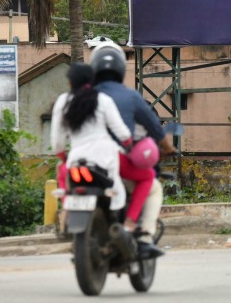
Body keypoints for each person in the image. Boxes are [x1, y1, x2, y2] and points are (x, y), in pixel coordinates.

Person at [91, 41, 176, 259]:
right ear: (121, 69)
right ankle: (144, 237)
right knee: (153, 186)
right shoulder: (130, 96)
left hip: (84, 162)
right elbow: (156, 130)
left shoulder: (82, 96)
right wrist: (168, 148)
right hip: (116, 163)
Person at [51, 63, 134, 227]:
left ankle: (66, 213)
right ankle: (122, 223)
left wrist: (62, 156)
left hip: (76, 159)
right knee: (119, 187)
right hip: (105, 158)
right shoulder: (103, 100)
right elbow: (122, 133)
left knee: (62, 174)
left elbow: (57, 141)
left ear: (70, 82)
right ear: (93, 81)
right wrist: (128, 144)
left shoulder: (63, 102)